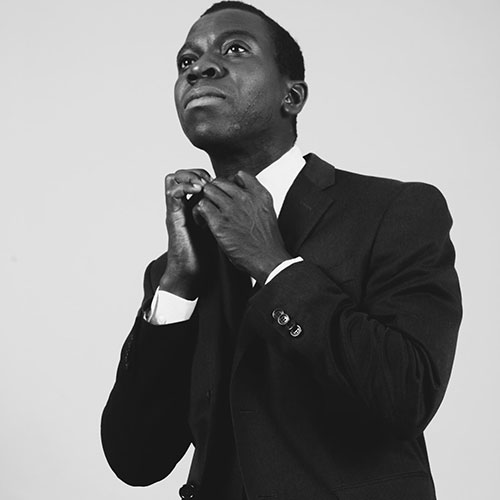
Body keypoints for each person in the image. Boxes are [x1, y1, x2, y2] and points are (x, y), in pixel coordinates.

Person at [101, 2, 462, 499]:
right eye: (186, 61)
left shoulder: (395, 210)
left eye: (235, 49)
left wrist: (274, 266)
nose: (200, 68)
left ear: (291, 97)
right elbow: (136, 458)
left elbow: (407, 394)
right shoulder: (178, 269)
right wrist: (177, 287)